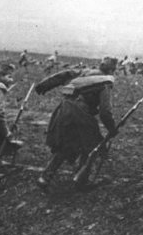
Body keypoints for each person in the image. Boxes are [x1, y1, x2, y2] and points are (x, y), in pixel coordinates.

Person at [37, 56, 119, 191]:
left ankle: (45, 177)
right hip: (80, 113)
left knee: (67, 144)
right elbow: (105, 111)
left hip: (64, 109)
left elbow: (64, 75)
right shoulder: (106, 82)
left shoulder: (84, 72)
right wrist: (112, 128)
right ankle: (81, 180)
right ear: (111, 70)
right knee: (92, 145)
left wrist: (44, 85)